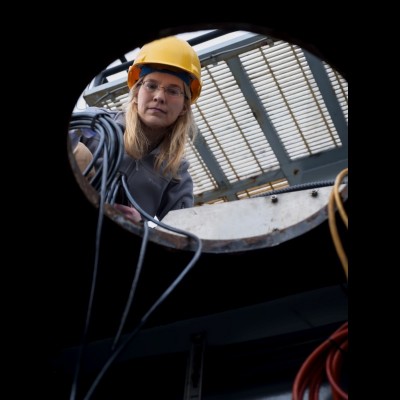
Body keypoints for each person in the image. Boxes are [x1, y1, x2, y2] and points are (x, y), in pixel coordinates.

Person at [72, 35, 202, 224]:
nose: (159, 97)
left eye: (173, 91)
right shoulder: (95, 123)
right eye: (151, 85)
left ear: (184, 107)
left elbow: (181, 235)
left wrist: (141, 227)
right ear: (136, 93)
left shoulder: (176, 174)